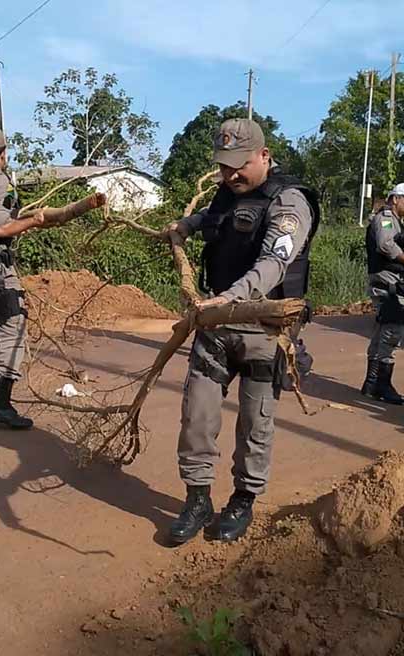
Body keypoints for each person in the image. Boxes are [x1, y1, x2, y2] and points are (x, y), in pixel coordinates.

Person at [164, 118, 319, 545]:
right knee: (196, 416)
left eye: (239, 165)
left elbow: (275, 261)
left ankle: (242, 500)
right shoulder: (226, 194)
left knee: (255, 423)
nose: (231, 175)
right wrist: (186, 225)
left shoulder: (289, 202)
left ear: (264, 156)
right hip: (216, 327)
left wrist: (233, 295)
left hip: (262, 329)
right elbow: (215, 219)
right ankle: (197, 499)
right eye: (224, 166)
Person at [0, 126, 105, 429]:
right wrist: (32, 221)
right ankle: (0, 405)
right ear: (3, 154)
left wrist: (20, 217)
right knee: (13, 329)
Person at [361, 184, 404, 404]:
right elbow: (386, 245)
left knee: (381, 332)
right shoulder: (386, 218)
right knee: (392, 332)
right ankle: (383, 386)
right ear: (395, 198)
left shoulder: (395, 220)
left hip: (390, 282)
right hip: (387, 284)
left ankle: (371, 383)